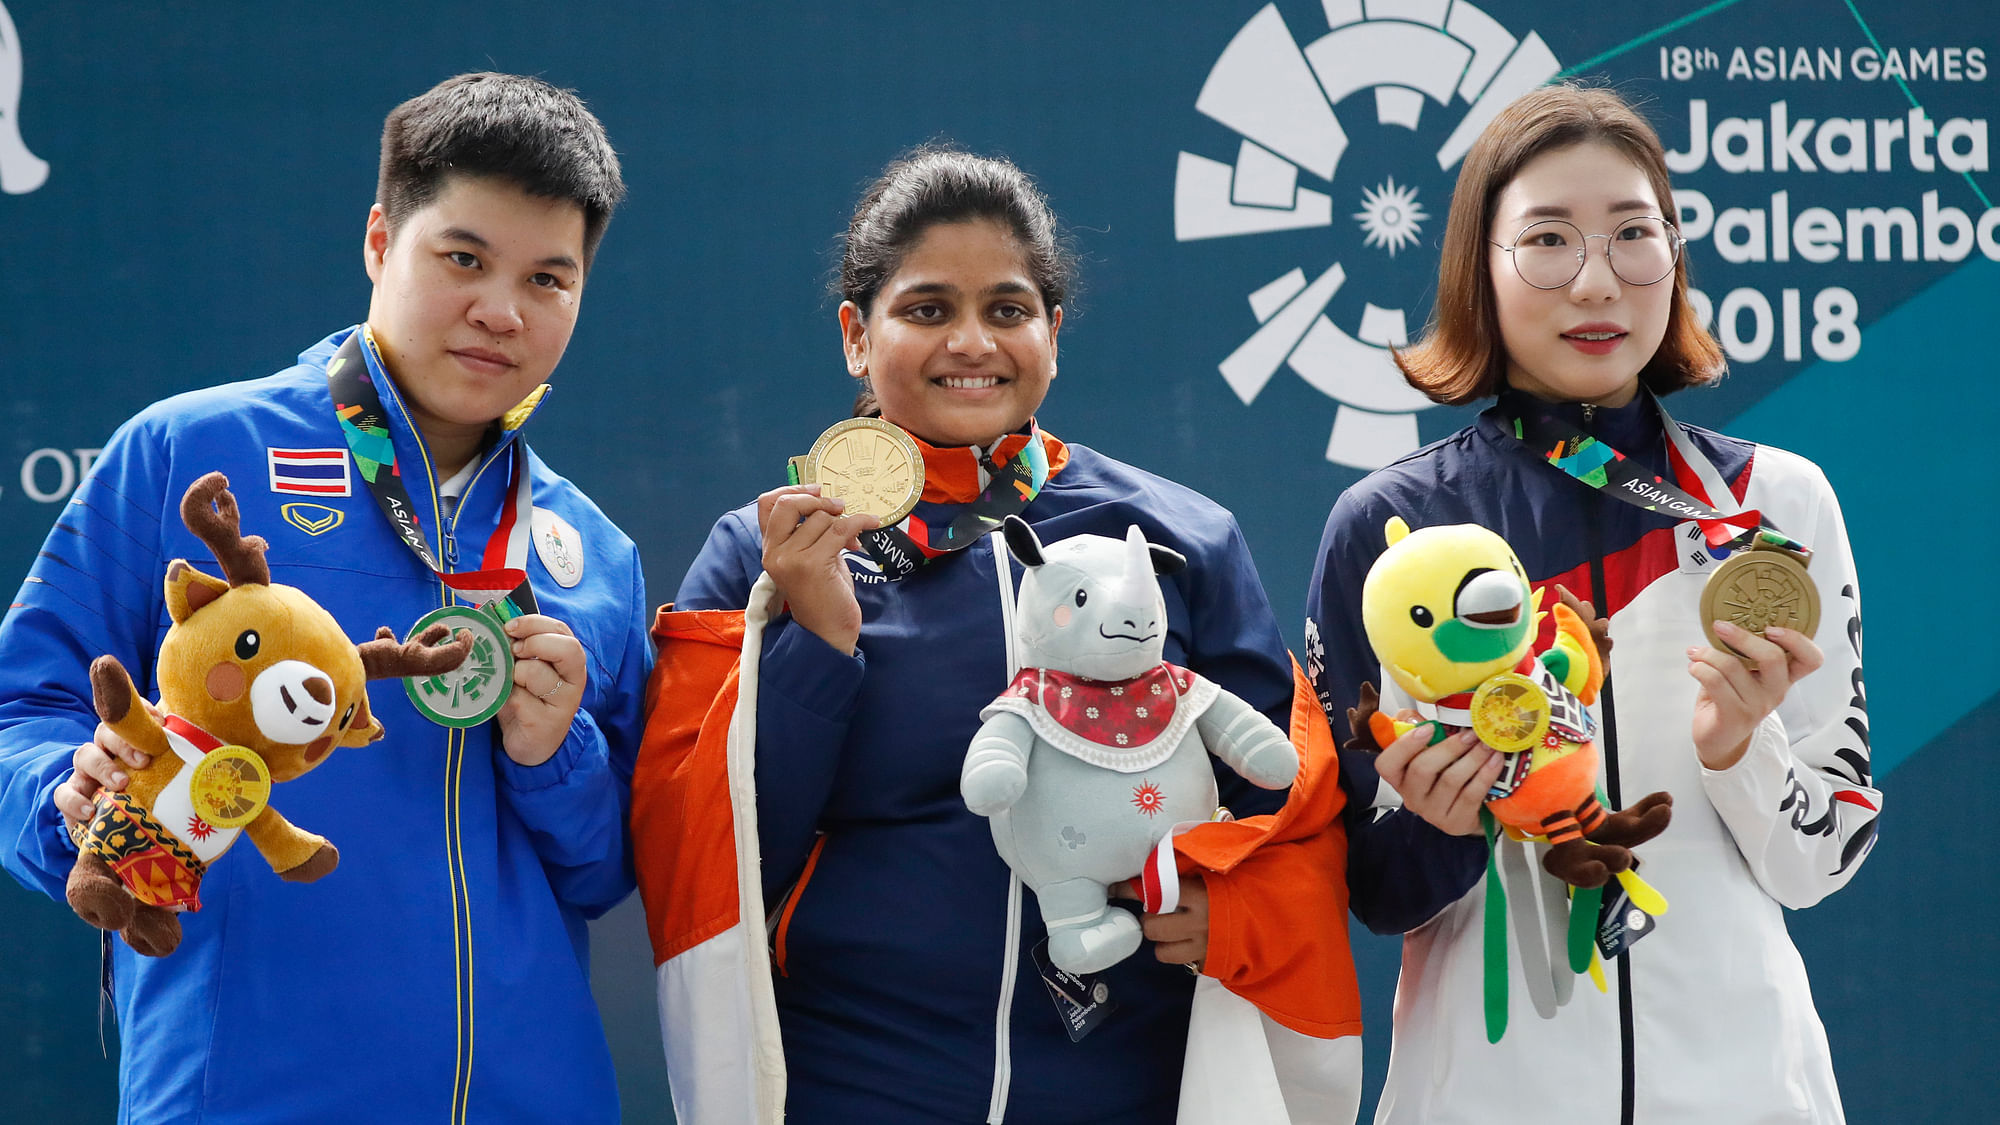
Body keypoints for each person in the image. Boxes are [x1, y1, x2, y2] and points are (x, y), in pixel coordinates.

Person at [633, 149, 1368, 1124]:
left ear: (1052, 333)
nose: (970, 342)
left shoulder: (1181, 539)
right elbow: (713, 865)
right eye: (927, 309)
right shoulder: (768, 550)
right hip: (858, 1080)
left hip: (1125, 1082)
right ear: (857, 335)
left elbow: (1291, 807)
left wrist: (1235, 908)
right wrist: (816, 641)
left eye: (1008, 310)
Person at [0, 73, 650, 1123]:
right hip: (244, 1093)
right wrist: (62, 800)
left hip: (533, 1097)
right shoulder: (190, 455)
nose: (500, 309)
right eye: (464, 259)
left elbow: (607, 869)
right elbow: (20, 708)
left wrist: (555, 757)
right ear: (380, 241)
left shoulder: (593, 558)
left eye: (548, 279)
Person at [1306, 84, 1880, 1123]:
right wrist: (1442, 824)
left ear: (1673, 256)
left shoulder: (1769, 510)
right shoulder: (1389, 534)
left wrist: (1735, 747)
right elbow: (1368, 891)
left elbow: (1822, 858)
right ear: (1478, 269)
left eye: (1631, 234)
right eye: (1546, 241)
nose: (1594, 280)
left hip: (1745, 1091)